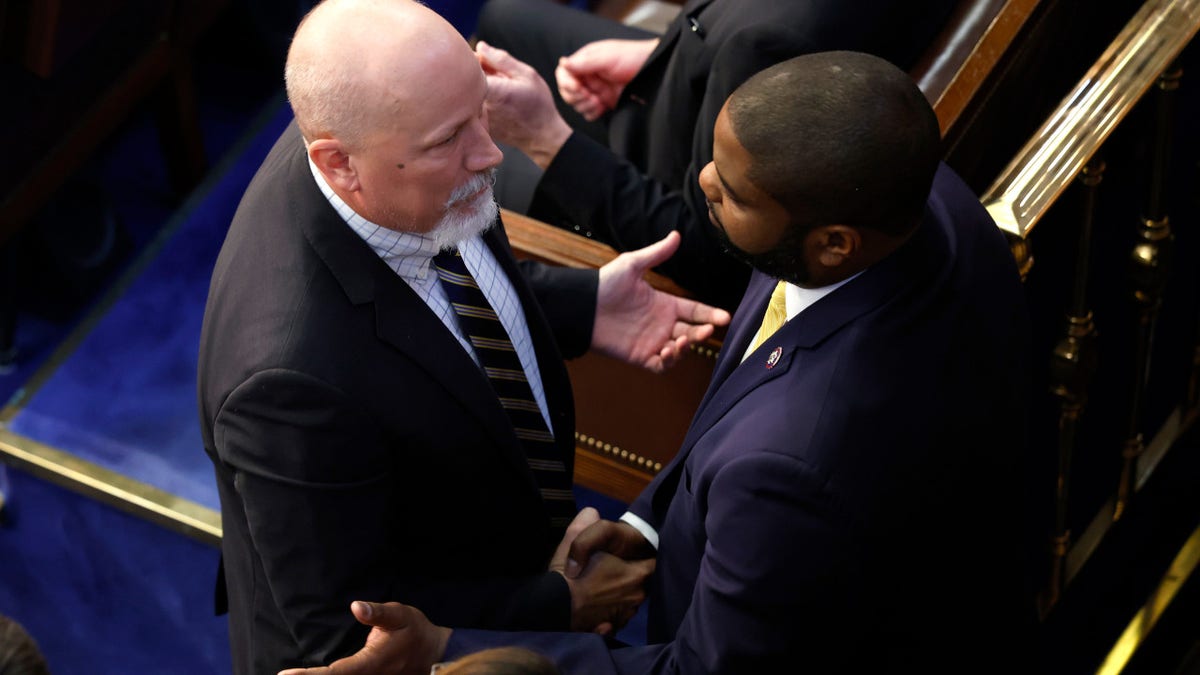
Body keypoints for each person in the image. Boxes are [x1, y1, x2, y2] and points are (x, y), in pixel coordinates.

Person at [278, 50, 1035, 674]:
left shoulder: (795, 458)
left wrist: (453, 647)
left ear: (833, 242)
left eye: (734, 192)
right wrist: (649, 523)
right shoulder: (919, 199)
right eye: (716, 160)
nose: (704, 184)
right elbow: (748, 389)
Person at [197, 1, 729, 673]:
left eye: (481, 111)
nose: (490, 150)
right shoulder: (285, 383)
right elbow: (353, 631)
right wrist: (557, 603)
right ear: (338, 164)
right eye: (449, 140)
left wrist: (581, 305)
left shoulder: (405, 146)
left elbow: (444, 288)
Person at [473, 0, 957, 309]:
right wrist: (659, 58)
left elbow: (708, 242)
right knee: (501, 16)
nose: (711, 178)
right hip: (686, 87)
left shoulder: (769, 47)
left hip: (658, 185)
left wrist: (546, 139)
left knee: (465, 168)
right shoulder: (763, 46)